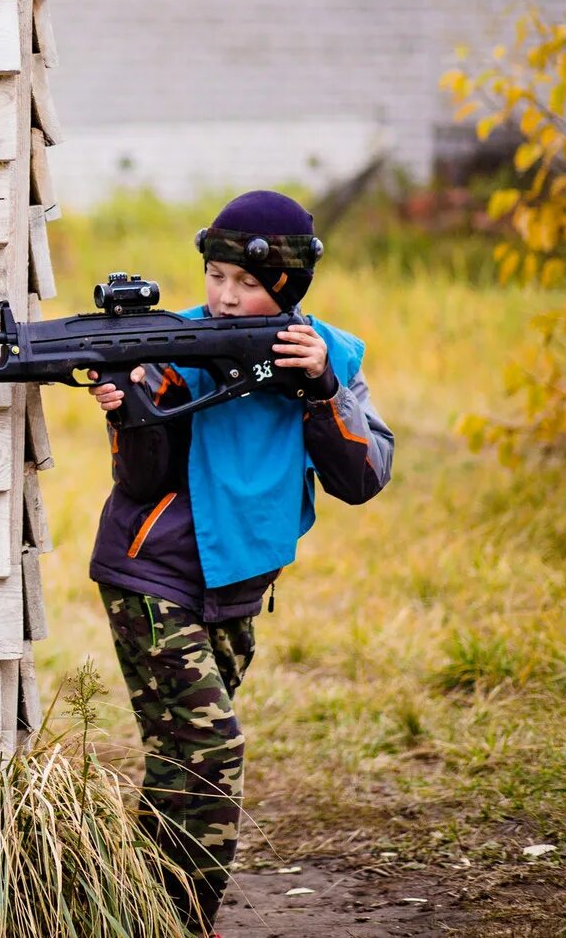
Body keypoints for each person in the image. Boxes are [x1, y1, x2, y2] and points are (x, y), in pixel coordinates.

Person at [85, 190, 394, 937]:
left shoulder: (331, 355)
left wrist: (321, 387)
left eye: (245, 282)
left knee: (178, 766)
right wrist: (131, 406)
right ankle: (188, 922)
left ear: (286, 287)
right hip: (151, 576)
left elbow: (364, 476)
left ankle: (138, 913)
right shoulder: (173, 344)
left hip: (237, 588)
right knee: (214, 750)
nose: (224, 297)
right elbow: (141, 479)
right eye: (215, 276)